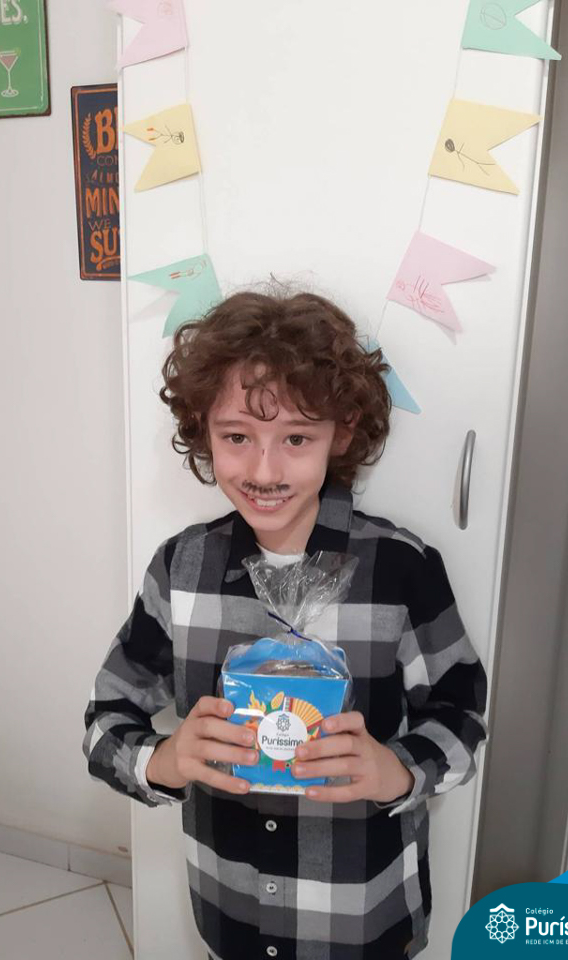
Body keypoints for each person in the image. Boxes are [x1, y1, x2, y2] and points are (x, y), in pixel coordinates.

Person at [83, 289, 488, 960]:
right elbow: (104, 718)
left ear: (342, 432)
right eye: (236, 437)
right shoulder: (181, 569)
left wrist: (394, 771)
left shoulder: (401, 569)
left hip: (363, 921)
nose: (264, 470)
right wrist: (165, 760)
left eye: (297, 438)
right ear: (203, 430)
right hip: (230, 914)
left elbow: (463, 718)